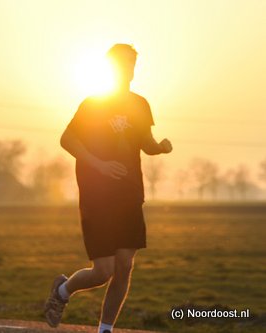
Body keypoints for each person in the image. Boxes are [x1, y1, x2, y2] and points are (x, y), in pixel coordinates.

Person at [44, 44, 173, 333]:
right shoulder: (93, 104)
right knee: (104, 271)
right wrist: (98, 164)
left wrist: (160, 148)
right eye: (123, 63)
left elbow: (146, 143)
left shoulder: (140, 104)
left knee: (125, 265)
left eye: (132, 64)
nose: (129, 69)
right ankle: (62, 291)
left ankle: (105, 329)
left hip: (129, 194)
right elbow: (67, 140)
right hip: (97, 196)